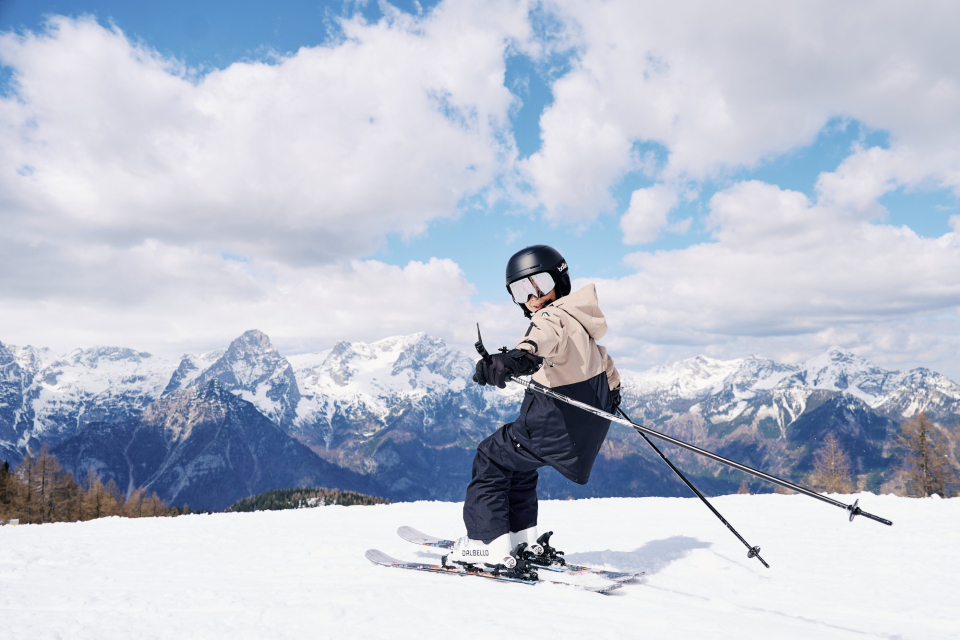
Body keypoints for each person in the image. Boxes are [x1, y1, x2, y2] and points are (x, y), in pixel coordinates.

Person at [447, 244, 621, 568]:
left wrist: (513, 359)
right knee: (518, 464)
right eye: (521, 290)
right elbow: (607, 368)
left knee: (491, 456)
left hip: (553, 424)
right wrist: (613, 394)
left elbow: (537, 343)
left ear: (560, 280)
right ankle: (520, 538)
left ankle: (486, 545)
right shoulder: (579, 321)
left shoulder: (550, 317)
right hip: (584, 427)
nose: (533, 298)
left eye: (539, 284)